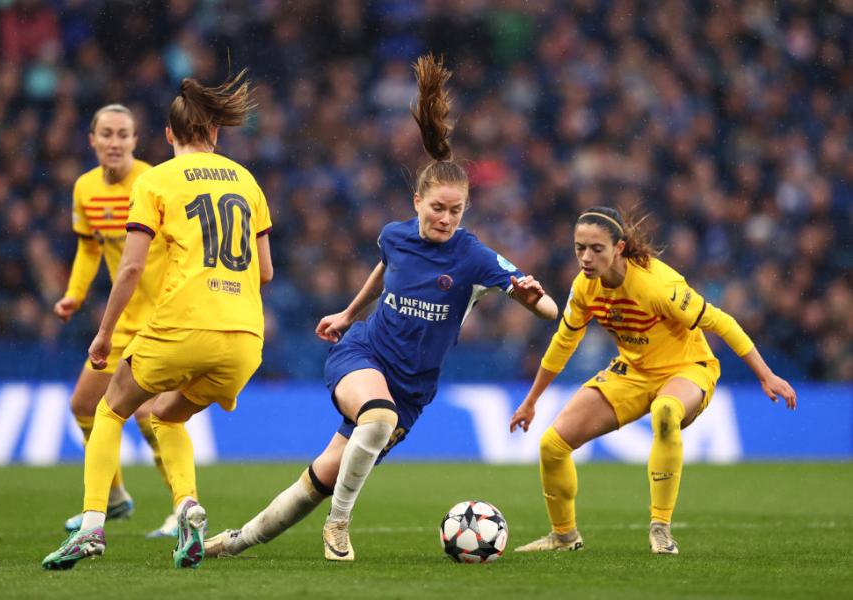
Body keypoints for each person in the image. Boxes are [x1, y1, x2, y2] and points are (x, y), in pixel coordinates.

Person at [202, 53, 559, 563]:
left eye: (456, 211)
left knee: (324, 474)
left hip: (414, 389)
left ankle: (236, 542)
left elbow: (546, 308)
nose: (445, 218)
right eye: (437, 208)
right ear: (416, 201)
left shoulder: (475, 256)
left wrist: (532, 300)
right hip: (364, 355)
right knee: (377, 417)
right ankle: (339, 527)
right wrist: (349, 316)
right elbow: (383, 269)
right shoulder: (395, 235)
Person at [42, 70, 272, 570]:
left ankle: (91, 526)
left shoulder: (154, 180)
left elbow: (128, 267)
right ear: (215, 133)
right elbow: (267, 271)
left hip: (180, 327)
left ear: (167, 135)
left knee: (110, 409)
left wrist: (102, 334)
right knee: (168, 415)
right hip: (246, 340)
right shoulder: (247, 180)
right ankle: (187, 507)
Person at [509, 206, 797, 555]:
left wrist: (766, 376)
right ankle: (563, 537)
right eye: (579, 247)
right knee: (552, 445)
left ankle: (660, 528)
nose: (585, 257)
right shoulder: (584, 287)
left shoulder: (658, 285)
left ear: (619, 248)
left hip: (688, 368)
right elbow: (563, 342)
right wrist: (531, 401)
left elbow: (721, 322)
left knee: (664, 411)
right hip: (632, 371)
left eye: (596, 248)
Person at [54, 104, 175, 538]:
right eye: (106, 134)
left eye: (123, 134)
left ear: (136, 140)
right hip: (121, 320)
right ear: (92, 139)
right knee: (83, 405)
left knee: (148, 413)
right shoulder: (84, 188)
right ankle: (116, 496)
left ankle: (183, 506)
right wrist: (74, 294)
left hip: (160, 317)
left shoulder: (152, 182)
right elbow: (89, 248)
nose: (114, 142)